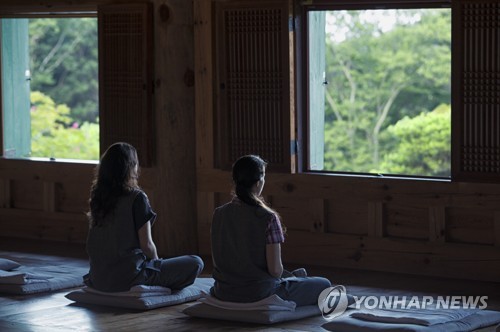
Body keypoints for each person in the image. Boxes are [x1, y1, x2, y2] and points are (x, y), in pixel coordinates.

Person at [210, 154, 331, 306]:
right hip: (259, 293)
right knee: (323, 284)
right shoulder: (267, 217)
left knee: (292, 279)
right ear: (259, 181)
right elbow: (275, 271)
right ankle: (295, 279)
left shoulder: (219, 214)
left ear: (235, 181)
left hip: (223, 291)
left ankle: (294, 278)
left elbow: (217, 263)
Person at [85, 142, 204, 292]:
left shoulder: (98, 197)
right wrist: (156, 265)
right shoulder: (136, 198)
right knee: (195, 262)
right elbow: (147, 244)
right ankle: (151, 285)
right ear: (130, 167)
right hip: (130, 277)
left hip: (98, 278)